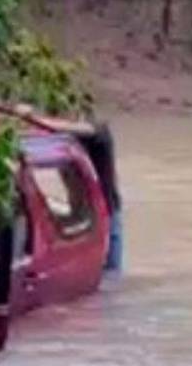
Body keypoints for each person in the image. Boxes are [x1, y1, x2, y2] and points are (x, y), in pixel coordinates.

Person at [12, 103, 123, 273]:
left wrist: (32, 118)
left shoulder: (99, 131)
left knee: (109, 274)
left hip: (106, 212)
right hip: (83, 211)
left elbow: (84, 129)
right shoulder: (66, 141)